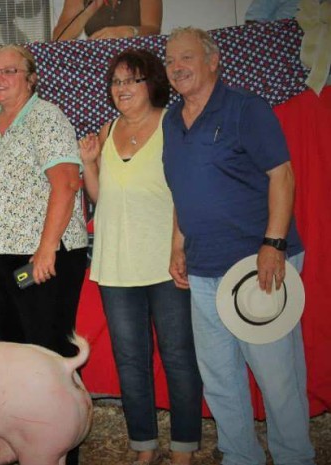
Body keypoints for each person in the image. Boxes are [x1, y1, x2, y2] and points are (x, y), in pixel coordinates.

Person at [163, 27, 315, 465]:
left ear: (213, 61)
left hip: (258, 263)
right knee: (219, 377)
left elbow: (281, 175)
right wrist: (177, 245)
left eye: (187, 57)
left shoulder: (247, 108)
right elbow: (181, 190)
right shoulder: (173, 121)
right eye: (171, 61)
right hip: (204, 266)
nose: (177, 67)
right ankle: (239, 456)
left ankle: (294, 457)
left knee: (277, 377)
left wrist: (274, 243)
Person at [0, 44, 87, 465]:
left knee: (48, 354)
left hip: (41, 256)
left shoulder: (46, 116)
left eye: (10, 70)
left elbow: (67, 182)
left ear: (30, 77)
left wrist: (46, 249)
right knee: (14, 356)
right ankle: (27, 448)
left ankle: (65, 450)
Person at [78, 48, 202, 465]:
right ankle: (143, 444)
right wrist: (91, 165)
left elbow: (188, 193)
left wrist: (178, 247)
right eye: (116, 82)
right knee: (130, 359)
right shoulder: (108, 129)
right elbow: (102, 200)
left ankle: (184, 446)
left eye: (131, 80)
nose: (122, 89)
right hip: (116, 265)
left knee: (178, 355)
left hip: (167, 264)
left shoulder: (174, 124)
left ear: (152, 83)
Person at [53, 0, 162, 41]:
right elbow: (59, 38)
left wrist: (127, 32)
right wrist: (89, 10)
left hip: (137, 62)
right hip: (97, 64)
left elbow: (153, 29)